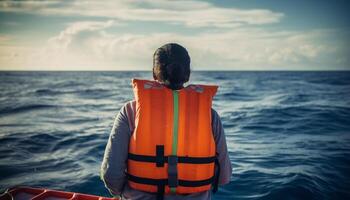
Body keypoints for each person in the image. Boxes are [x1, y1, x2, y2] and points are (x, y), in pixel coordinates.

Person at [101, 43, 232, 200]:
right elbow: (224, 177)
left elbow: (111, 174)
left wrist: (122, 193)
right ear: (187, 74)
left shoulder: (129, 111)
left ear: (154, 74)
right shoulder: (211, 116)